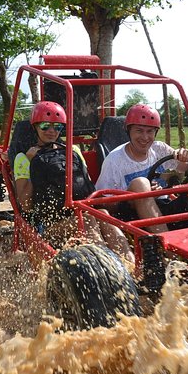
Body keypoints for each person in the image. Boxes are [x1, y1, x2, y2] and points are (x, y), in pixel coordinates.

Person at [13, 101, 133, 262]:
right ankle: (107, 268)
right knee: (88, 220)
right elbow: (25, 205)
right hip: (47, 225)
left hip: (79, 212)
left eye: (57, 127)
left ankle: (130, 265)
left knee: (103, 215)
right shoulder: (24, 158)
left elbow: (87, 186)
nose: (51, 131)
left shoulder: (73, 151)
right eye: (45, 126)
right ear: (35, 126)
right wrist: (33, 163)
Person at [95, 104, 188, 233]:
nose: (145, 137)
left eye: (150, 131)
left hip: (164, 207)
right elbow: (102, 203)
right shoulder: (114, 160)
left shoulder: (159, 149)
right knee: (140, 184)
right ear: (128, 130)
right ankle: (166, 248)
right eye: (139, 131)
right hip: (134, 216)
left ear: (156, 132)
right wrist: (138, 195)